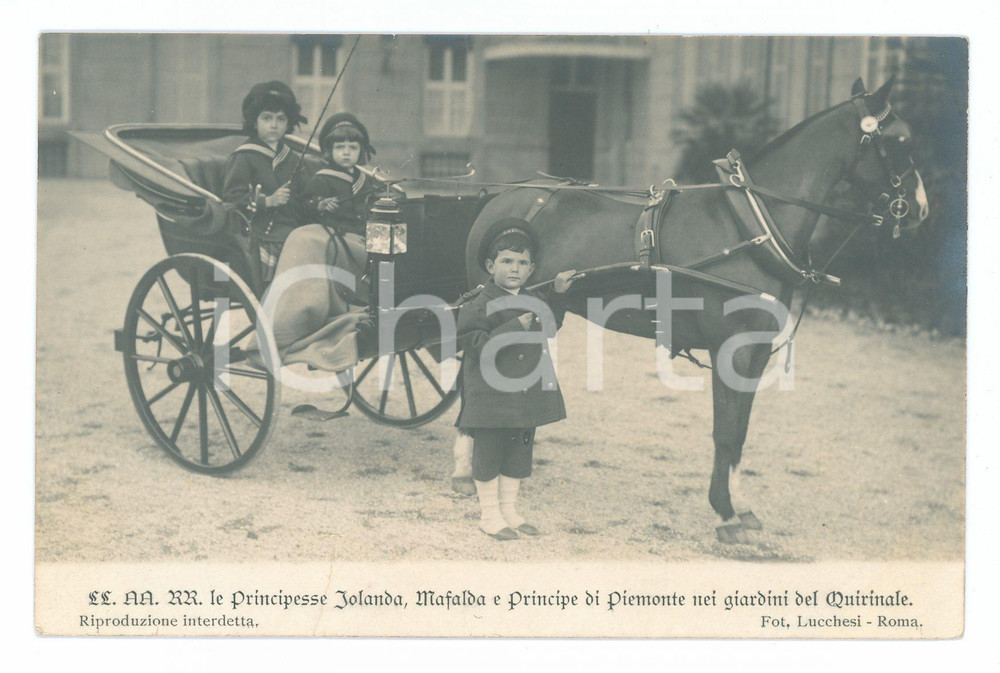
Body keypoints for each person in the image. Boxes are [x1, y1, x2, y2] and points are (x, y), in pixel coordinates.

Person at [457, 218, 576, 540]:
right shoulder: (476, 305)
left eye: (523, 263)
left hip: (526, 395)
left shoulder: (534, 301)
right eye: (507, 261)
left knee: (519, 453)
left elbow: (550, 326)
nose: (515, 269)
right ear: (489, 265)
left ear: (532, 268)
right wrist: (515, 328)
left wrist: (559, 295)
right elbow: (477, 346)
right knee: (489, 453)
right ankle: (489, 515)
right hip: (492, 396)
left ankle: (510, 510)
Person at [222, 80, 309, 285]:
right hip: (258, 231)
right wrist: (267, 201)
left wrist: (319, 203)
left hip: (292, 228)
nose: (273, 124)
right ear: (254, 121)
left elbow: (307, 194)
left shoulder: (293, 158)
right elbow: (232, 198)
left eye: (281, 119)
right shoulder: (244, 156)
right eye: (266, 118)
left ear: (288, 124)